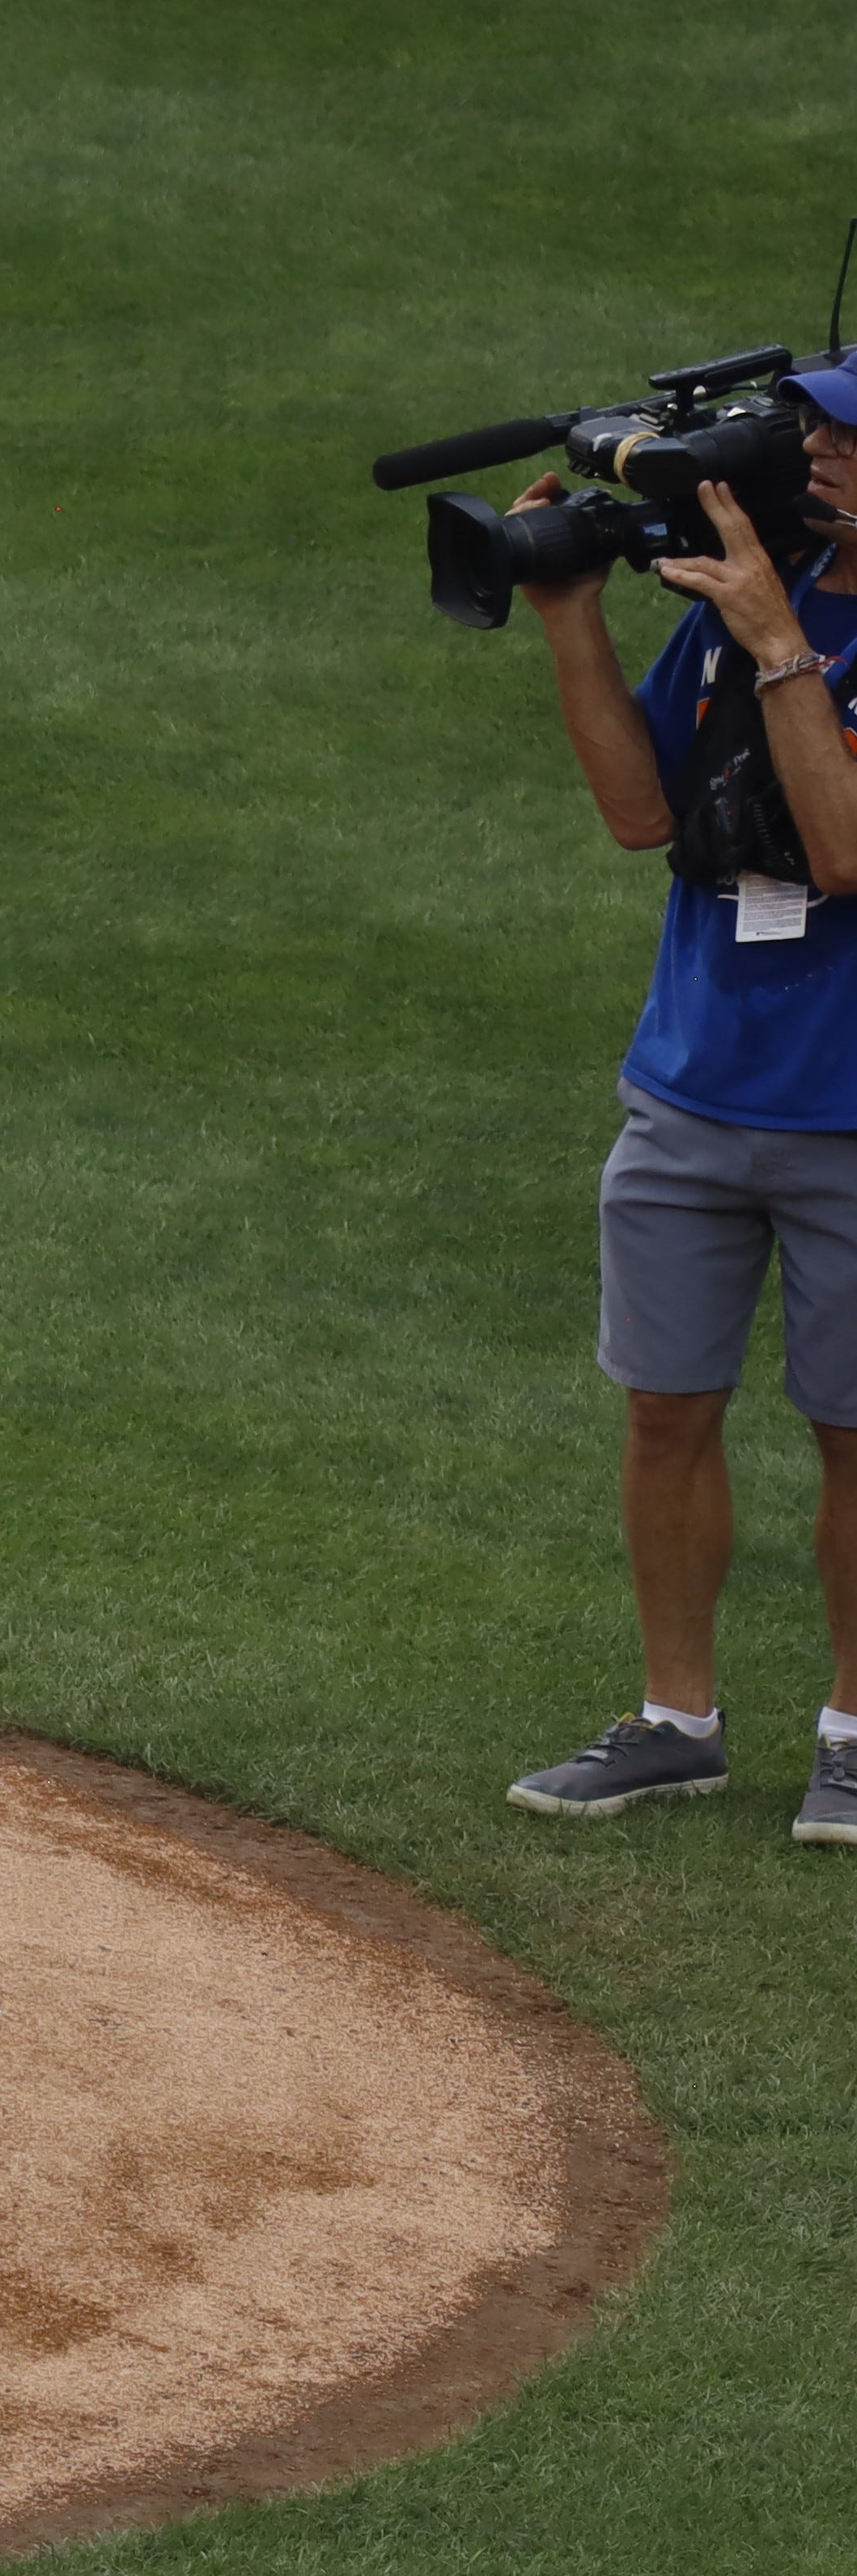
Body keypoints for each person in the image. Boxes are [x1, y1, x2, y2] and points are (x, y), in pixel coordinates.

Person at [507, 356, 857, 1846]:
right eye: (820, 424)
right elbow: (642, 815)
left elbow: (841, 858)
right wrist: (573, 618)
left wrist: (781, 639)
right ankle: (676, 1723)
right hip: (690, 1089)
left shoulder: (764, 612)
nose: (820, 449)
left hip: (851, 1114)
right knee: (665, 1413)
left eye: (848, 433)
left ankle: (854, 1741)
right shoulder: (736, 602)